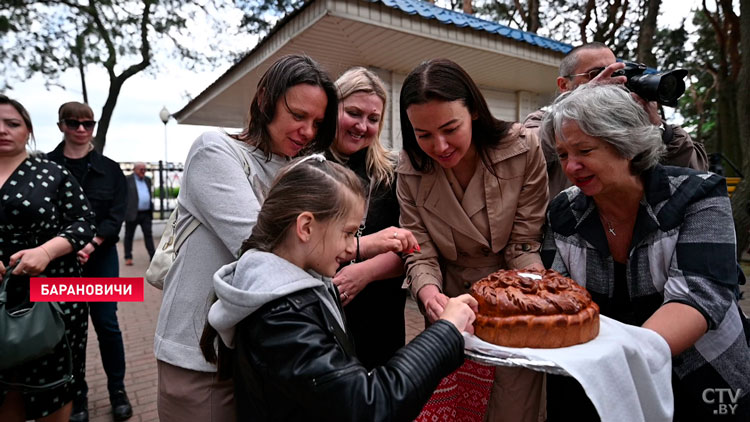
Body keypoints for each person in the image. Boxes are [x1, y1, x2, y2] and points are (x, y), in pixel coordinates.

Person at [202, 155, 477, 421]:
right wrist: (447, 331)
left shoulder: (288, 286)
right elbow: (370, 405)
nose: (351, 247)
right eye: (347, 233)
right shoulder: (282, 317)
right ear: (306, 227)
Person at [540, 84, 750, 421]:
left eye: (584, 151)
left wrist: (618, 359)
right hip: (598, 383)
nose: (571, 166)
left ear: (625, 145)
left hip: (701, 380)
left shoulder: (699, 195)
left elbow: (698, 297)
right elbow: (560, 295)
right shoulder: (564, 211)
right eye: (564, 154)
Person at [153, 54, 339, 422]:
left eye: (317, 122)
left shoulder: (296, 170)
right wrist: (358, 247)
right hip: (199, 357)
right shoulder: (216, 150)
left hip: (256, 356)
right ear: (265, 99)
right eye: (298, 116)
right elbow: (262, 247)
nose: (308, 131)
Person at [397, 58, 549, 422]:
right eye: (424, 135)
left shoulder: (523, 149)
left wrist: (538, 291)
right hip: (444, 303)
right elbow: (419, 250)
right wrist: (428, 293)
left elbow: (523, 244)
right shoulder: (409, 168)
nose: (441, 145)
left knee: (511, 407)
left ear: (475, 112)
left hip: (509, 302)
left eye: (451, 127)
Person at [0, 95, 96, 422]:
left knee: (53, 380)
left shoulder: (51, 172)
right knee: (5, 384)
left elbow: (84, 222)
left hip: (54, 288)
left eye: (12, 123)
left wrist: (45, 251)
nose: (3, 130)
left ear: (28, 130)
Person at [524, 41, 708, 200]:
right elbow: (524, 153)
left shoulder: (634, 123)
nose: (611, 81)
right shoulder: (542, 120)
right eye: (596, 73)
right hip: (564, 230)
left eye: (614, 73)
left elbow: (696, 176)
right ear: (564, 85)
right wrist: (583, 102)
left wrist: (656, 126)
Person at [327, 67, 418, 369]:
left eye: (373, 119)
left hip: (381, 315)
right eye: (353, 113)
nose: (363, 126)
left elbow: (414, 246)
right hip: (325, 315)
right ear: (332, 107)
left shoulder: (392, 173)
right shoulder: (310, 168)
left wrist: (363, 273)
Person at [47, 101, 130, 422]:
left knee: (108, 324)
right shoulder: (44, 168)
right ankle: (75, 395)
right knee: (66, 331)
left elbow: (116, 216)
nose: (81, 129)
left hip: (102, 258)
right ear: (61, 126)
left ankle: (117, 390)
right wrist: (65, 247)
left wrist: (91, 244)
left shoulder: (110, 169)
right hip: (57, 263)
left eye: (88, 123)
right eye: (73, 123)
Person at [123, 162, 155, 265]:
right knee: (129, 235)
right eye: (141, 169)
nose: (143, 171)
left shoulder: (147, 180)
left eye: (144, 169)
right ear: (134, 169)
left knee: (148, 235)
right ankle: (128, 257)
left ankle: (153, 256)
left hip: (146, 213)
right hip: (132, 213)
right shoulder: (127, 180)